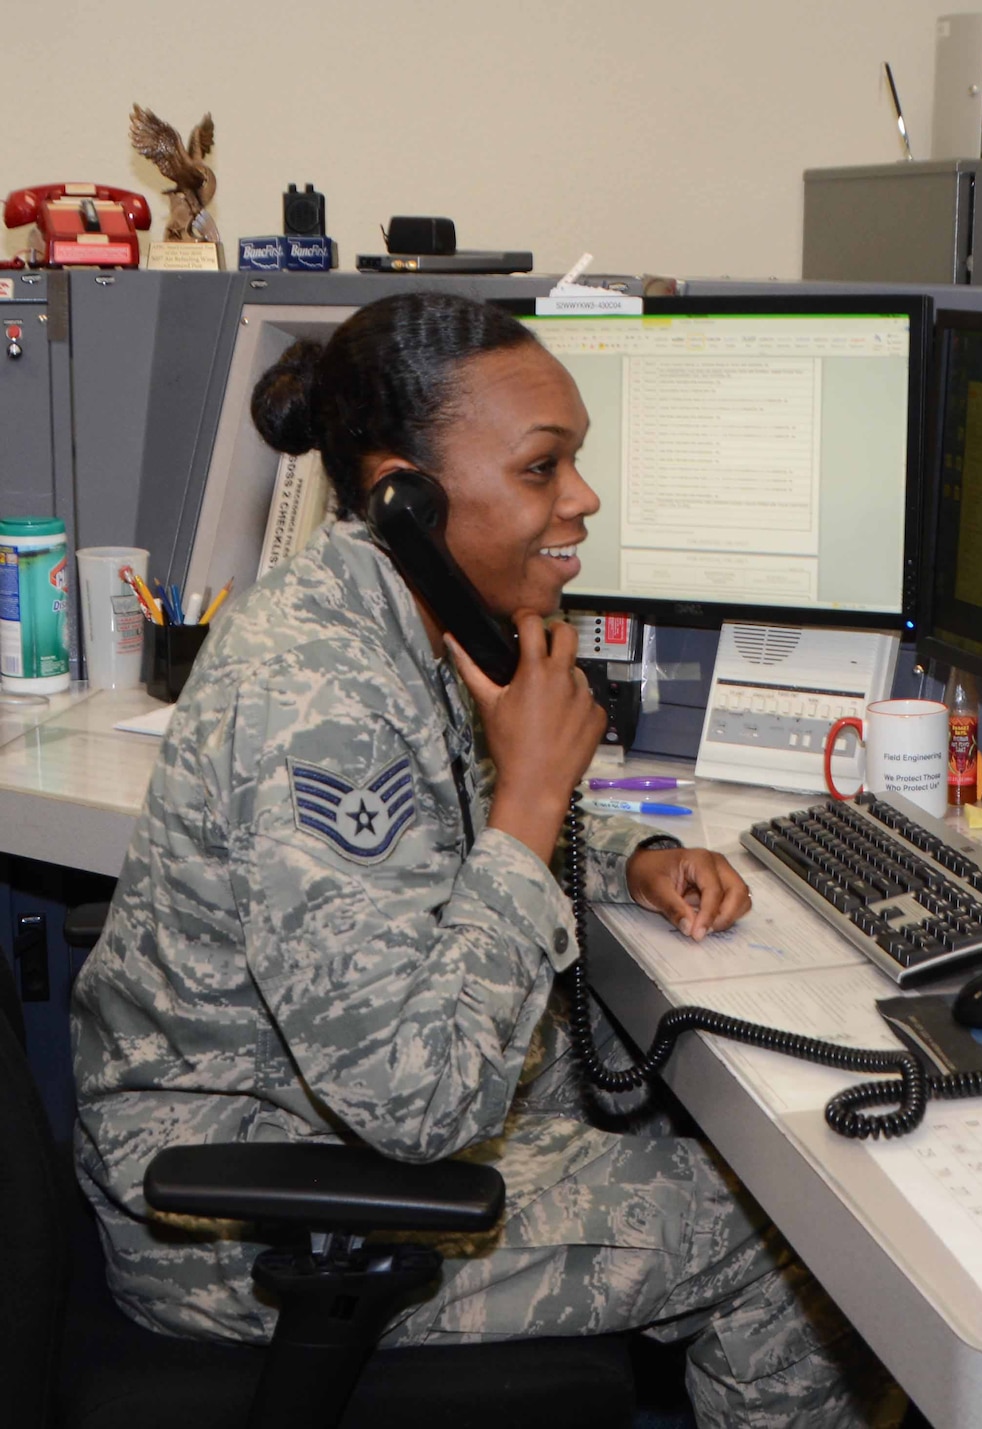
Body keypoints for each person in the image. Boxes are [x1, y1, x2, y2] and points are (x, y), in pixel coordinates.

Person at [69, 292, 900, 1426]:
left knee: (734, 1112)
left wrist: (626, 853)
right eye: (541, 469)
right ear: (401, 494)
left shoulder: (403, 612)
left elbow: (439, 835)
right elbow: (418, 1101)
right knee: (803, 1237)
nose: (581, 500)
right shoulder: (317, 697)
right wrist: (535, 796)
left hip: (324, 1118)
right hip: (249, 1224)